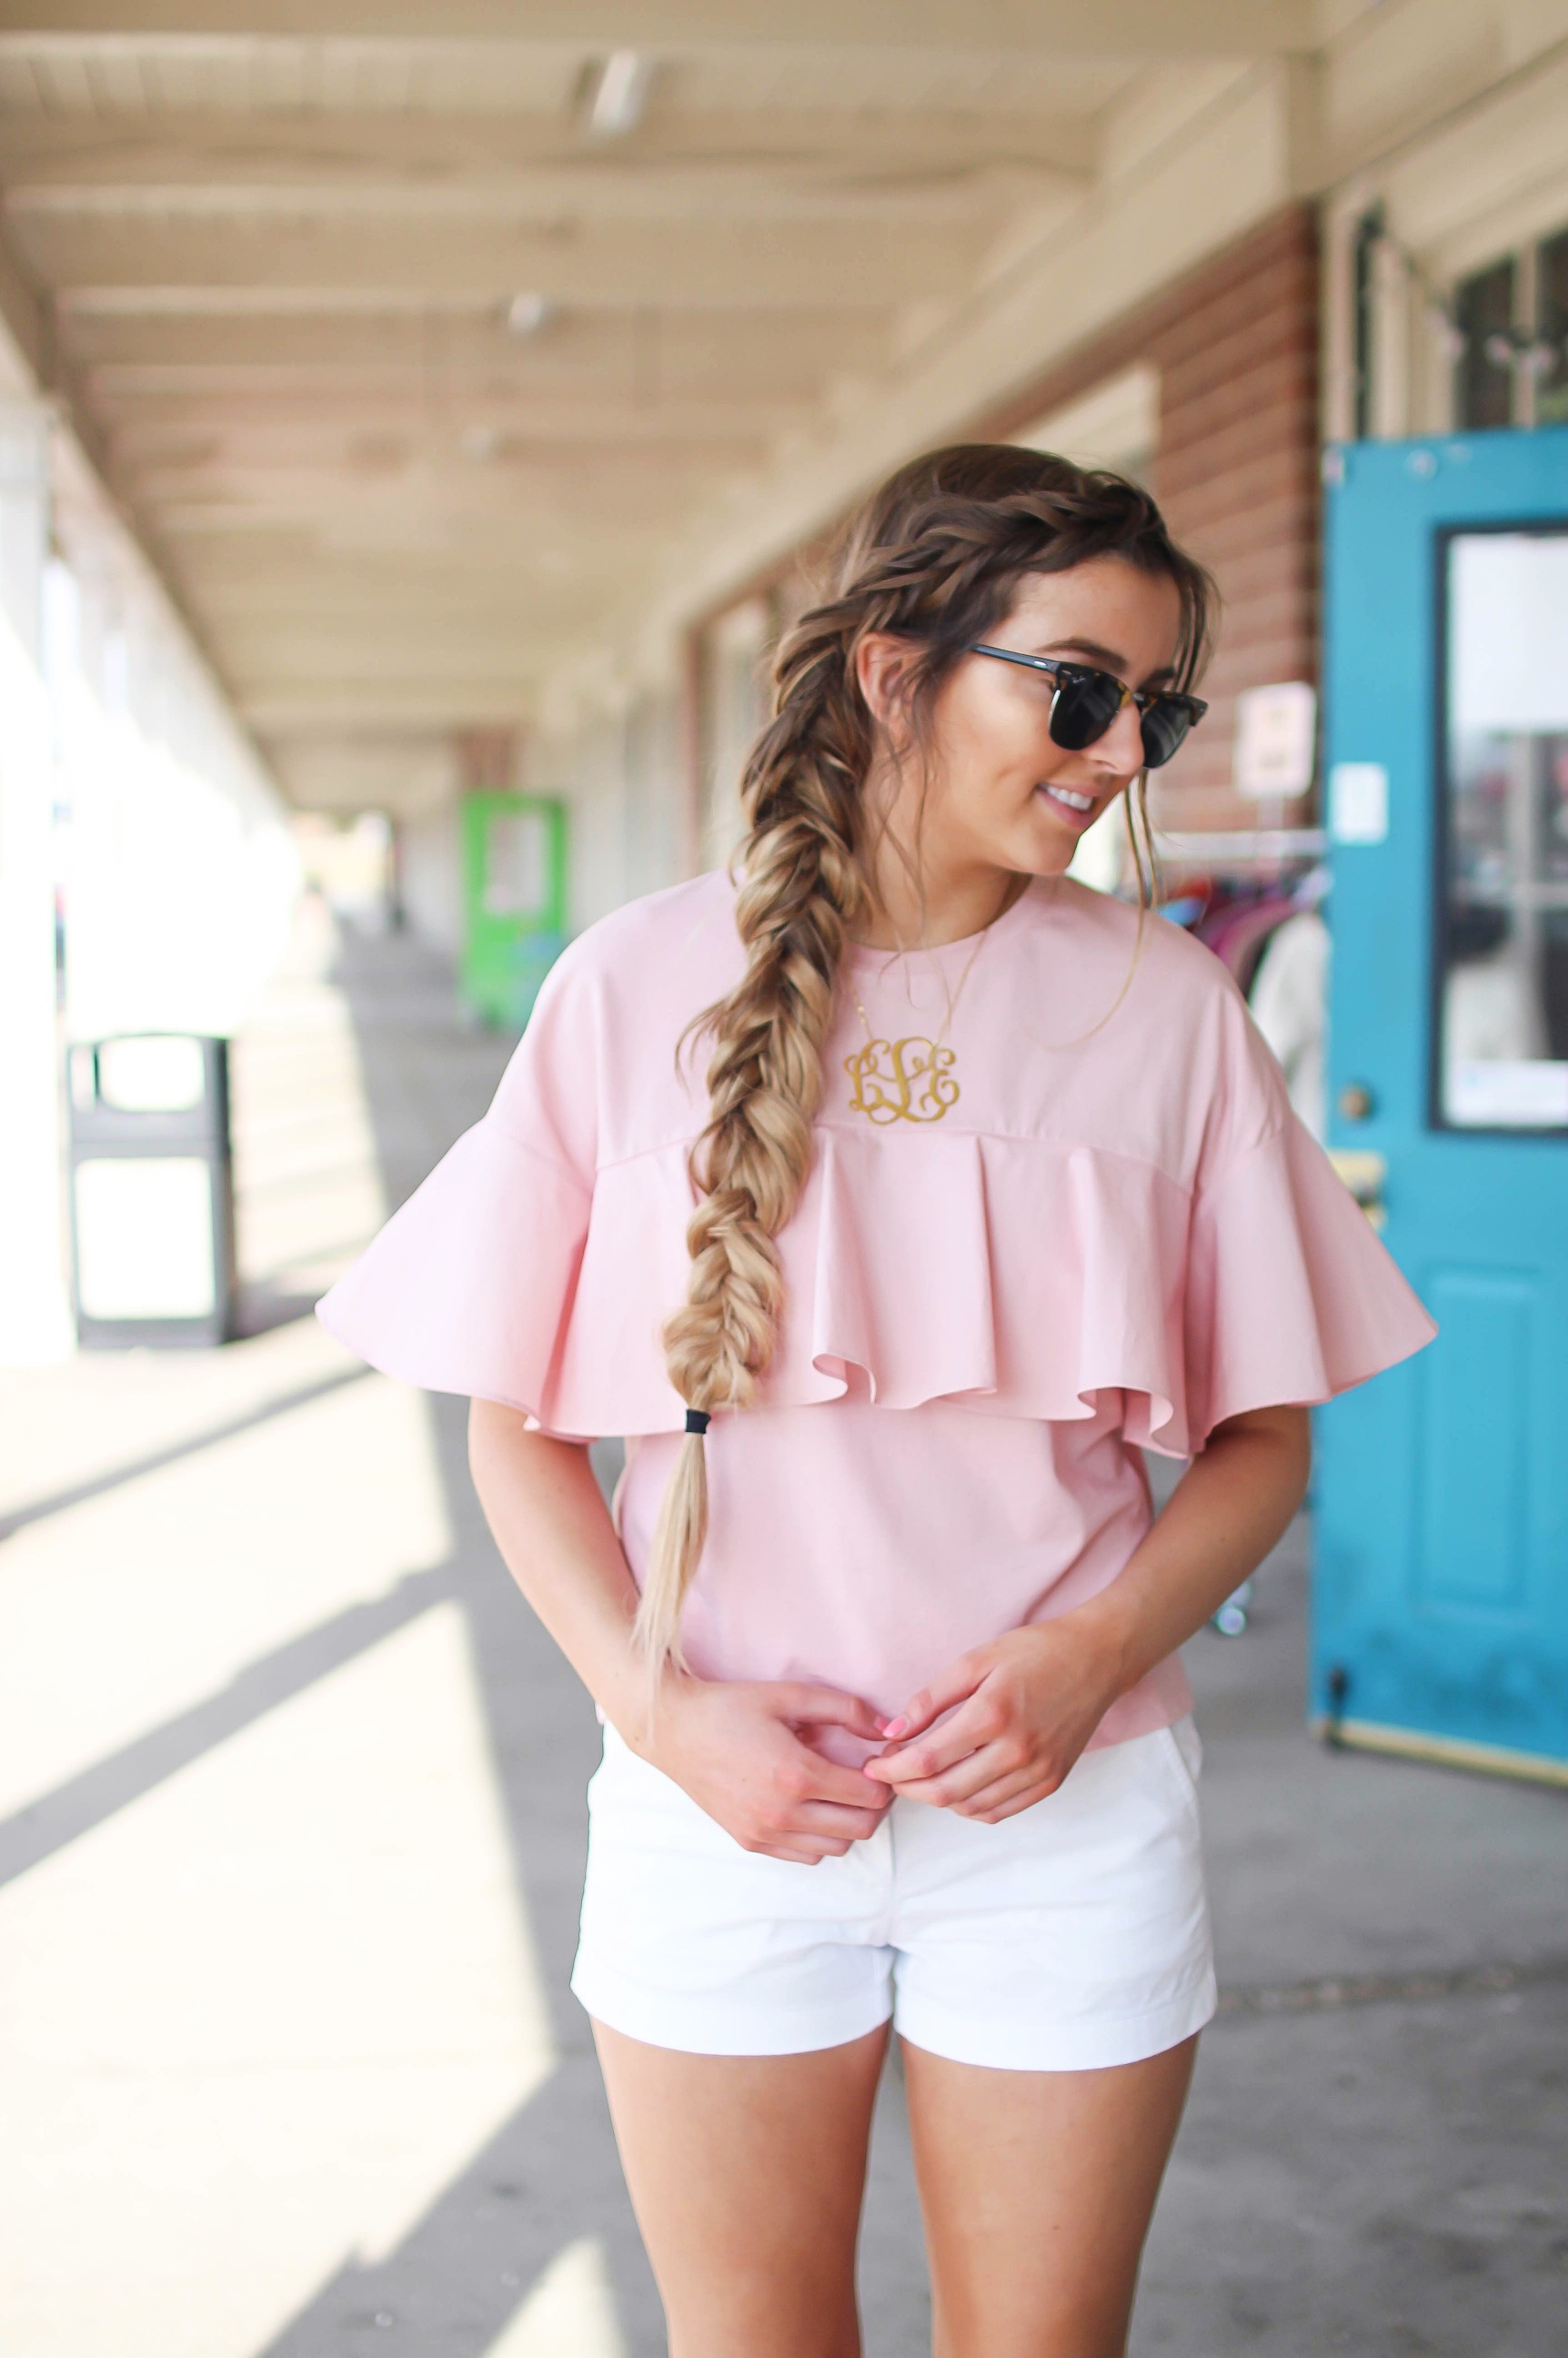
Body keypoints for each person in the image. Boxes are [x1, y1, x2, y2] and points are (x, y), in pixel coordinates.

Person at [318, 447, 1437, 2358]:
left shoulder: (1165, 1013)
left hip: (1067, 1828)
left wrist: (1091, 1653)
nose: (1122, 753)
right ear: (897, 671)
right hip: (715, 1815)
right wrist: (659, 1715)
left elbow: (1265, 1440)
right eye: (1078, 690)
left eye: (1153, 711)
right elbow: (514, 1427)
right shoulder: (632, 988)